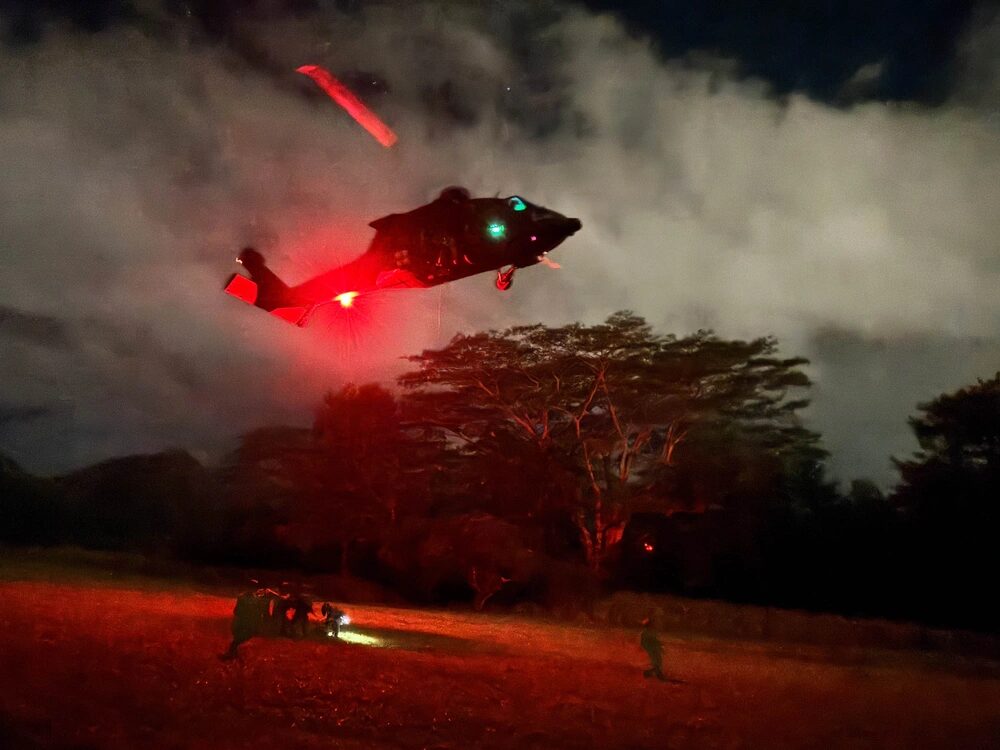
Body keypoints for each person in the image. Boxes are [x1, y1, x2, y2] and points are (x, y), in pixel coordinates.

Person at [219, 589, 274, 661]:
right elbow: (264, 613)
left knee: (237, 639)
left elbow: (236, 611)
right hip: (251, 623)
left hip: (242, 621)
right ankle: (233, 654)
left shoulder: (242, 597)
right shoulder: (261, 601)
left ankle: (233, 653)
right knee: (239, 639)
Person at [640, 615, 667, 681]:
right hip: (653, 649)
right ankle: (657, 675)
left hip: (653, 649)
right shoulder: (647, 633)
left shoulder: (647, 632)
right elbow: (653, 641)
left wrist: (659, 646)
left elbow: (645, 643)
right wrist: (659, 646)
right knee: (657, 662)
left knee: (657, 662)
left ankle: (650, 673)